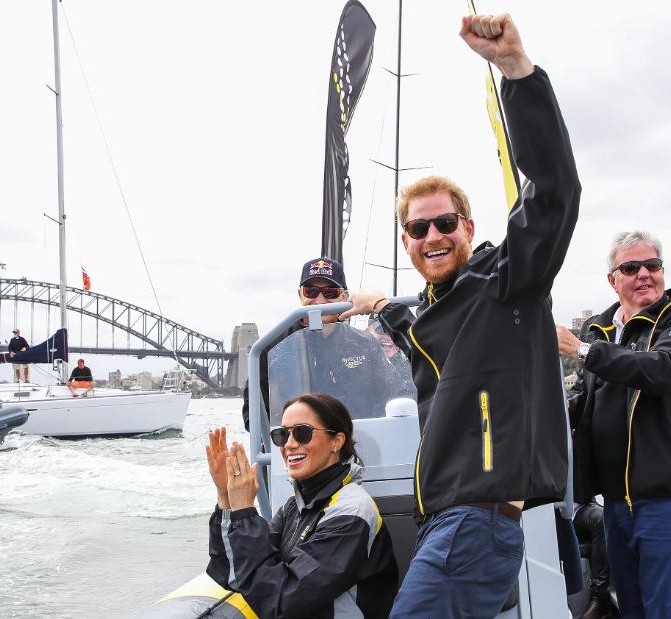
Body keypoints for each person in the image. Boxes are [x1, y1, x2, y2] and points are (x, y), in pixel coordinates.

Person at [340, 13, 580, 617]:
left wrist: (516, 72)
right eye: (418, 228)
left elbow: (553, 191)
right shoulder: (424, 313)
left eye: (445, 223)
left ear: (468, 228)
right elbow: (413, 315)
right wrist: (370, 304)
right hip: (444, 521)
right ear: (407, 242)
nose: (433, 235)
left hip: (475, 522)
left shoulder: (508, 288)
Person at [557, 230, 671, 618]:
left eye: (653, 265)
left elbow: (662, 369)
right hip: (617, 504)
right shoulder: (600, 330)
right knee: (632, 608)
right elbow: (584, 402)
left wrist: (580, 350)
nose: (645, 274)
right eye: (631, 267)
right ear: (613, 280)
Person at [206, 393, 398, 619]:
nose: (289, 444)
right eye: (282, 434)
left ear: (336, 441)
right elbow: (234, 574)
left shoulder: (351, 513)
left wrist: (244, 512)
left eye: (302, 433)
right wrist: (226, 498)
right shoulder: (295, 507)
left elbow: (282, 601)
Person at [241, 257, 396, 430]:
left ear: (344, 296)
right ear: (300, 294)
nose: (320, 300)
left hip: (359, 443)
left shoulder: (365, 343)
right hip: (300, 447)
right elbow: (253, 417)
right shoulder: (271, 348)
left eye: (330, 292)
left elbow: (390, 397)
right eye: (311, 291)